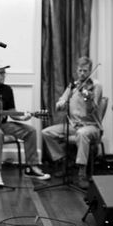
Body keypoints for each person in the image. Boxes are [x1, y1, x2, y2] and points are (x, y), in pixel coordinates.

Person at [0, 60, 50, 185]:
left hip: (0, 123)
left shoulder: (7, 90)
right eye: (1, 73)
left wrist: (24, 117)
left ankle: (32, 167)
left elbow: (12, 112)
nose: (4, 75)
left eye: (4, 73)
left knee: (30, 131)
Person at [42, 56, 103, 189]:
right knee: (46, 132)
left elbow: (92, 109)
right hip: (73, 125)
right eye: (80, 70)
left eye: (85, 71)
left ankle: (82, 174)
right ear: (76, 70)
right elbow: (60, 102)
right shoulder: (73, 85)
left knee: (81, 133)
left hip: (91, 126)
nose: (82, 74)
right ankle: (63, 161)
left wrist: (87, 96)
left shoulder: (96, 86)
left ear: (90, 70)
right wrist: (61, 103)